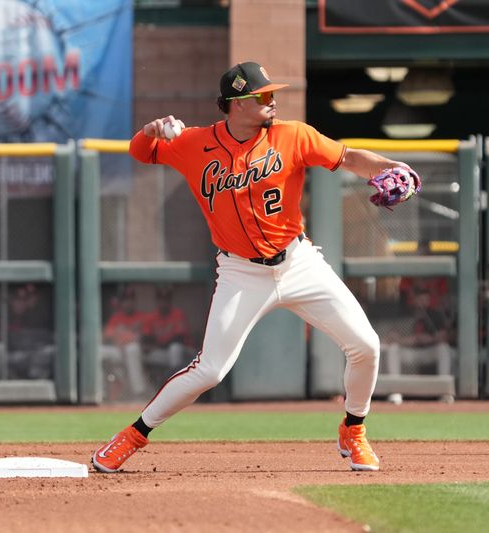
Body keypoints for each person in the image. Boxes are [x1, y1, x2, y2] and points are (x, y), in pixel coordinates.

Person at [91, 61, 422, 474]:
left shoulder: (293, 135)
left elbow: (349, 157)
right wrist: (150, 131)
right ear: (236, 104)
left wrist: (392, 168)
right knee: (210, 371)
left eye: (271, 93)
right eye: (262, 95)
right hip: (241, 273)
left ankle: (353, 430)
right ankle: (132, 436)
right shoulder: (193, 143)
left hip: (299, 262)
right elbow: (140, 152)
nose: (272, 100)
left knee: (366, 346)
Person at [101, 285, 149, 400]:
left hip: (137, 353)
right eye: (125, 300)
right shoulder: (116, 318)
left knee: (132, 349)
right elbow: (106, 337)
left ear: (135, 302)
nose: (128, 303)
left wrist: (125, 337)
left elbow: (146, 338)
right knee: (98, 351)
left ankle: (139, 392)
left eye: (131, 300)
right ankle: (99, 391)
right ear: (122, 303)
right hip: (118, 351)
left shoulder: (143, 317)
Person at [141, 285, 193, 382]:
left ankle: (175, 383)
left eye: (166, 300)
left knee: (175, 348)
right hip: (164, 353)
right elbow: (146, 338)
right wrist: (149, 346)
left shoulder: (178, 314)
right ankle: (150, 385)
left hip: (184, 353)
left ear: (170, 301)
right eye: (161, 300)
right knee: (143, 355)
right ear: (157, 301)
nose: (163, 303)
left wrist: (157, 345)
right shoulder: (151, 317)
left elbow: (178, 339)